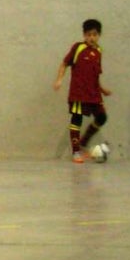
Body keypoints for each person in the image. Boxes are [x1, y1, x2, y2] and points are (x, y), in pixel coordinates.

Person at [54, 18, 111, 164]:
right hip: (79, 92)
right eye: (88, 34)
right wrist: (59, 79)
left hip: (94, 93)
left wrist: (102, 89)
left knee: (102, 117)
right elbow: (64, 64)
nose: (92, 37)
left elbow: (95, 75)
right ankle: (76, 152)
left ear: (99, 35)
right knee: (77, 119)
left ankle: (84, 142)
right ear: (84, 35)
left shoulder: (98, 51)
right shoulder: (78, 48)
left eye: (94, 34)